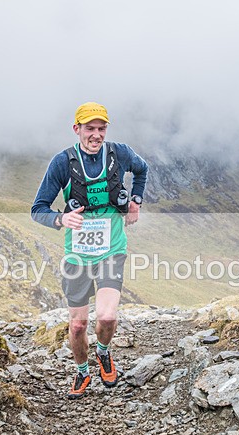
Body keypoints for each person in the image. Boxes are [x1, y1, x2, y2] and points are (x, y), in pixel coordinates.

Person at [31, 102, 148, 399]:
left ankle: (104, 352)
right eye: (89, 129)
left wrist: (135, 200)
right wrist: (61, 218)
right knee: (78, 324)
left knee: (107, 317)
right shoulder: (62, 163)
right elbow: (37, 209)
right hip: (77, 256)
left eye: (101, 129)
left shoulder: (119, 153)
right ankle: (82, 371)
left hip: (112, 249)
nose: (96, 135)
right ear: (77, 129)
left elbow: (142, 169)